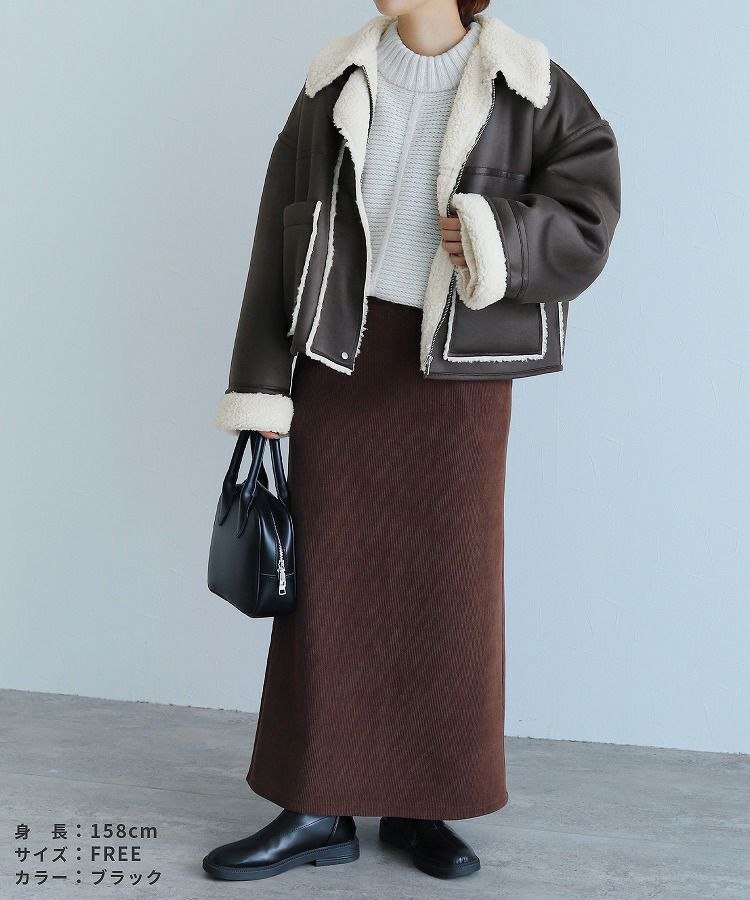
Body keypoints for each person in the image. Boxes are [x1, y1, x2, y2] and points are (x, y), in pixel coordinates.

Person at [203, 0, 621, 883]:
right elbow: (276, 237)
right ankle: (314, 807)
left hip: (459, 372)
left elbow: (590, 211)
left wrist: (497, 237)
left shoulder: (527, 85)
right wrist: (262, 387)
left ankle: (422, 802)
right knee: (328, 588)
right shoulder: (335, 78)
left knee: (448, 592)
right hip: (342, 356)